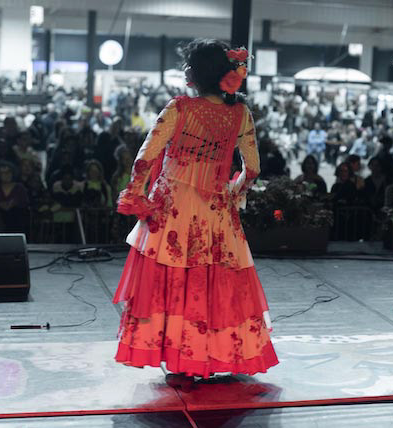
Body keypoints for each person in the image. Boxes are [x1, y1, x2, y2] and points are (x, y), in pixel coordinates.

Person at [112, 38, 278, 390]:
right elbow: (252, 168)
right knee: (214, 282)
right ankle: (211, 356)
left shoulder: (179, 109)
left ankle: (180, 359)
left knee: (175, 281)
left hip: (173, 207)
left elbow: (145, 157)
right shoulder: (240, 114)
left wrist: (136, 195)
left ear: (197, 73)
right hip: (216, 210)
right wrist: (234, 192)